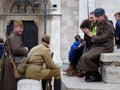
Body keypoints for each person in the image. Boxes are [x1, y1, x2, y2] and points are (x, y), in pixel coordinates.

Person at [76, 8, 114, 82]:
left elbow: (103, 38)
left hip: (106, 46)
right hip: (99, 45)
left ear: (103, 16)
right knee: (84, 56)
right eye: (96, 16)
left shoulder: (108, 25)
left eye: (98, 17)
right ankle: (85, 71)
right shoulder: (98, 23)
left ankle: (96, 76)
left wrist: (91, 35)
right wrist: (86, 31)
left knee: (87, 57)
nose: (96, 18)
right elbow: (92, 28)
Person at [0, 20, 28, 90]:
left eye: (22, 28)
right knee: (12, 84)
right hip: (13, 64)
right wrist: (25, 50)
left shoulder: (12, 36)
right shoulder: (14, 37)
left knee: (10, 84)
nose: (22, 30)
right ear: (15, 28)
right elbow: (16, 50)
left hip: (11, 63)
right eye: (20, 28)